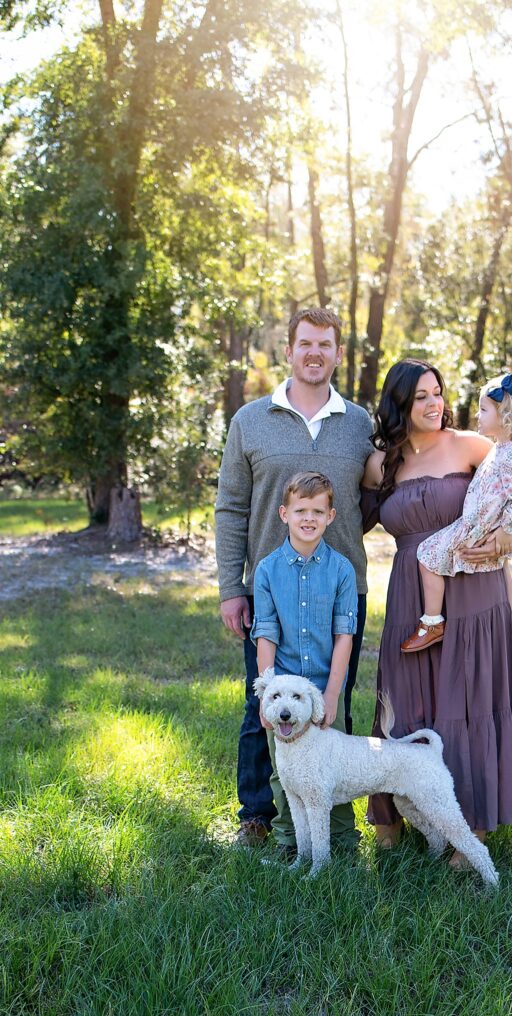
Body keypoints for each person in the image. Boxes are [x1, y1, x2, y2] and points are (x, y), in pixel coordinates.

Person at [361, 358, 512, 866]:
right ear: (399, 404)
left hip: (476, 592)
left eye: (438, 392)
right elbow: (342, 521)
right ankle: (395, 816)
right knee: (406, 700)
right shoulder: (381, 465)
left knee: (469, 702)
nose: (435, 403)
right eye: (421, 396)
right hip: (410, 592)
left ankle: (473, 827)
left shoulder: (471, 446)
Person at [215, 308, 373, 847]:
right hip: (271, 592)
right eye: (305, 343)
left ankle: (329, 825)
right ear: (289, 351)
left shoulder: (359, 423)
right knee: (263, 705)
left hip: (338, 590)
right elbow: (231, 507)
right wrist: (231, 589)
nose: (314, 353)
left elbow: (372, 499)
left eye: (325, 344)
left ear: (337, 354)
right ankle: (257, 818)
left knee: (332, 704)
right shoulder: (250, 421)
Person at [252, 471, 360, 854]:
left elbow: (344, 635)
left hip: (322, 686)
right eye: (300, 510)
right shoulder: (266, 570)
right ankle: (290, 840)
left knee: (337, 764)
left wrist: (332, 694)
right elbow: (265, 632)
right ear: (284, 513)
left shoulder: (342, 570)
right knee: (286, 773)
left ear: (331, 516)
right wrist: (267, 694)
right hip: (285, 694)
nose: (308, 518)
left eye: (318, 511)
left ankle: (343, 840)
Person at [401, 372, 512, 653]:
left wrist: (509, 530)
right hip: (479, 523)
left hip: (478, 527)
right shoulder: (500, 449)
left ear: (506, 416)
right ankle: (505, 616)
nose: (477, 415)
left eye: (483, 410)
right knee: (500, 565)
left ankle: (432, 621)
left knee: (427, 554)